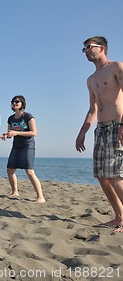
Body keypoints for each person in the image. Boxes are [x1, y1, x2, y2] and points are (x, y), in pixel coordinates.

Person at [75, 36, 123, 232]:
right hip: (101, 129)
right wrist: (82, 131)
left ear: (101, 48)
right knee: (102, 176)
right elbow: (92, 108)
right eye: (84, 48)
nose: (85, 51)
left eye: (88, 47)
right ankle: (119, 216)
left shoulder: (116, 67)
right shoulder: (91, 79)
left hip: (117, 126)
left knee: (114, 175)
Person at [0, 95, 45, 203]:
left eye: (17, 101)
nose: (14, 103)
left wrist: (17, 133)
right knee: (10, 170)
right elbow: (11, 134)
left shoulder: (28, 116)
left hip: (27, 145)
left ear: (22, 104)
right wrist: (7, 135)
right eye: (13, 102)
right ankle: (15, 192)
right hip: (16, 146)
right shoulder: (10, 118)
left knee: (29, 171)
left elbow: (34, 133)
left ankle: (40, 197)